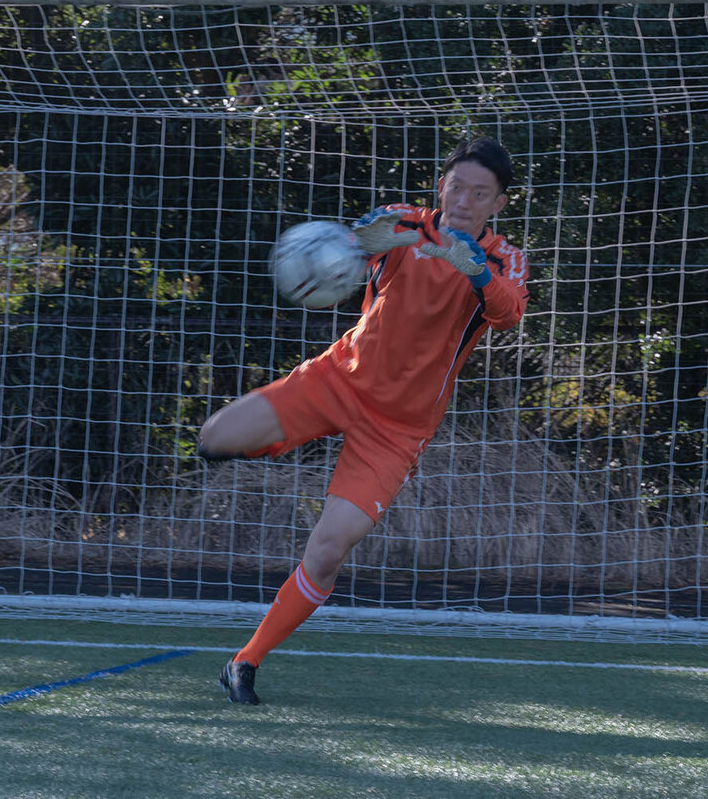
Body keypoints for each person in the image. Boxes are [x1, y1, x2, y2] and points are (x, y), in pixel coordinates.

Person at [198, 136, 530, 705]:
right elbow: (355, 246)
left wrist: (470, 268)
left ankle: (244, 662)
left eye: (481, 194)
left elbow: (508, 310)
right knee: (213, 439)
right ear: (441, 186)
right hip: (336, 380)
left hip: (397, 430)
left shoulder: (502, 258)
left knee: (328, 553)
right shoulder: (406, 223)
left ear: (498, 205)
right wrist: (366, 240)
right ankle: (285, 442)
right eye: (457, 187)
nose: (465, 201)